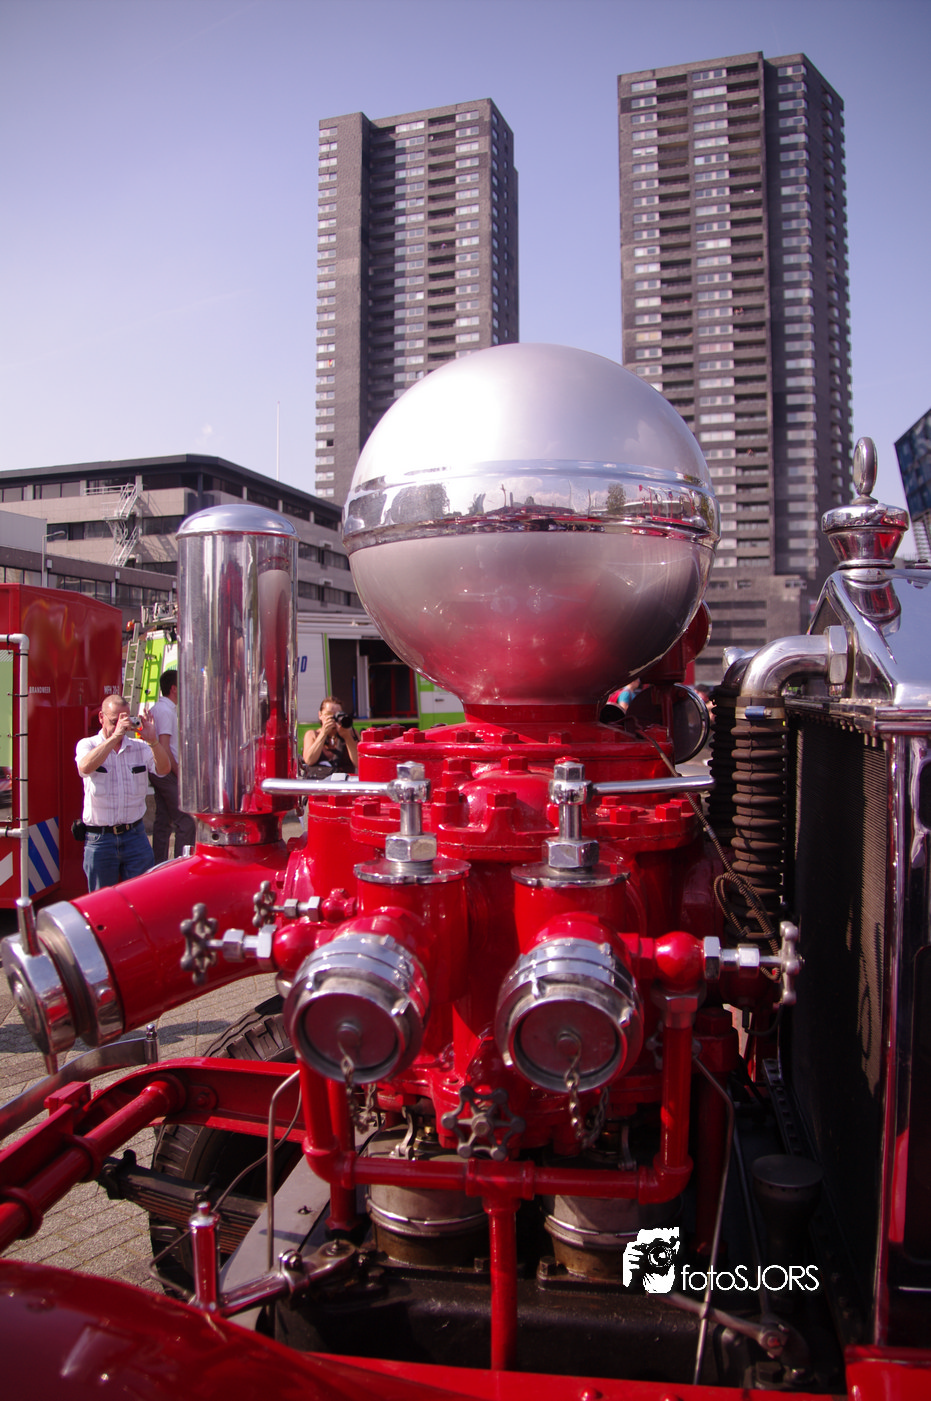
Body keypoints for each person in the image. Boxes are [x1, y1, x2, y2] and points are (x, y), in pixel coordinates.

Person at [76, 695, 171, 891]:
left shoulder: (140, 748)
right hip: (100, 839)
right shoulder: (88, 744)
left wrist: (153, 741)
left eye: (124, 720)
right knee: (102, 901)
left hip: (134, 835)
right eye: (114, 721)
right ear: (101, 717)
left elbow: (164, 769)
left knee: (141, 896)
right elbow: (85, 767)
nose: (119, 726)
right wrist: (114, 738)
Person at [149, 669, 197, 862]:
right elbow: (164, 746)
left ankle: (159, 863)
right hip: (166, 770)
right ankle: (179, 863)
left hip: (160, 770)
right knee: (186, 820)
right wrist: (178, 773)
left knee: (163, 821)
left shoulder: (163, 709)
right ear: (174, 688)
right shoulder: (166, 711)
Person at [302, 696, 358, 775]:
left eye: (337, 715)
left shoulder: (351, 733)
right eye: (329, 714)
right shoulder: (312, 734)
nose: (334, 719)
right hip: (320, 778)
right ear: (320, 715)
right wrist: (323, 733)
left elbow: (359, 763)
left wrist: (347, 737)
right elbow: (309, 761)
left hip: (344, 779)